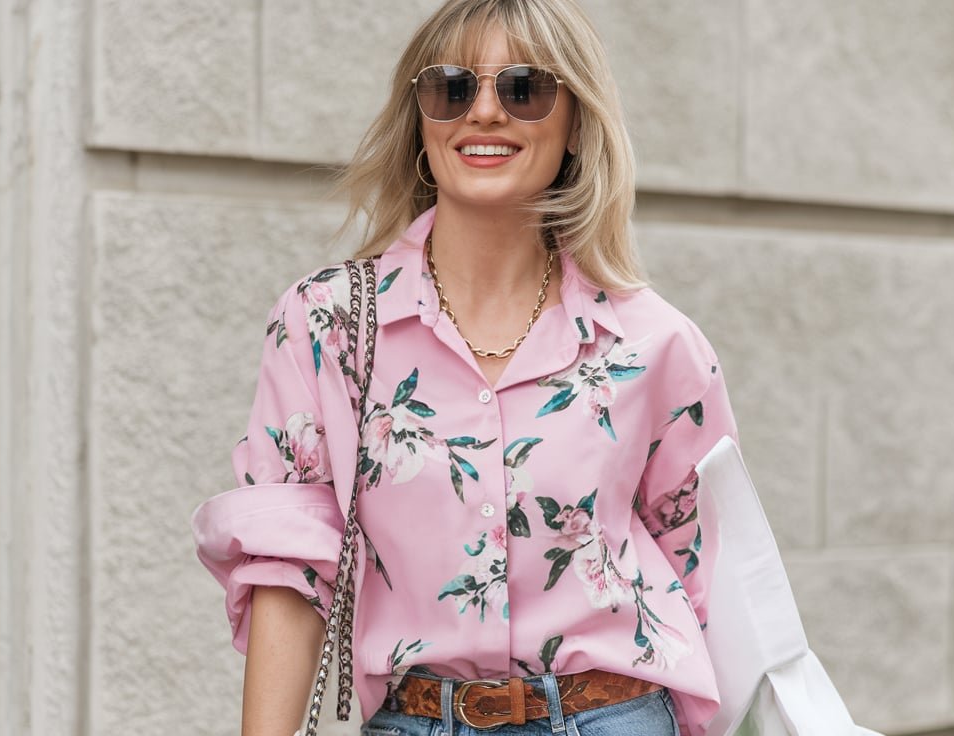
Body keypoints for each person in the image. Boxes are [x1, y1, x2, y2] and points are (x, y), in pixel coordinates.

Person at [193, 2, 872, 735]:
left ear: (575, 121)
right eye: (452, 88)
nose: (484, 113)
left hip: (616, 717)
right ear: (421, 120)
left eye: (524, 89)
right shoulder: (327, 324)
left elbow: (703, 586)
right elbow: (287, 571)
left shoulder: (656, 343)